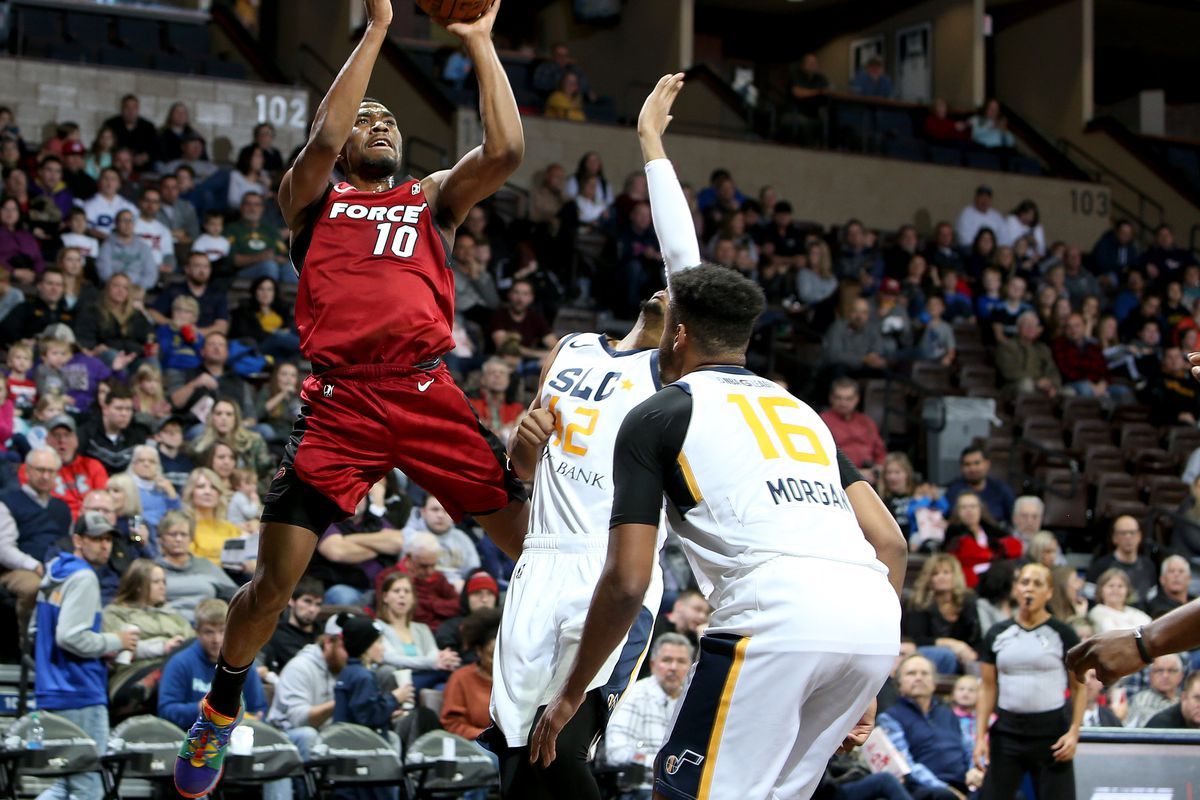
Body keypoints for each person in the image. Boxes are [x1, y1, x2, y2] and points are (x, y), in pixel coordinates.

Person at [174, 2, 530, 789]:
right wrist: (374, 31)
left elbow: (506, 148)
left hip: (428, 392)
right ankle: (220, 710)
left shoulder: (430, 199)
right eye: (366, 115)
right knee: (274, 583)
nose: (377, 125)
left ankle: (554, 695)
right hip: (341, 405)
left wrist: (478, 42)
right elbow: (324, 139)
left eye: (388, 120)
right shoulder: (312, 200)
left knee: (537, 547)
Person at [528, 262, 906, 799]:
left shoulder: (657, 414)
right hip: (872, 622)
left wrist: (569, 695)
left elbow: (629, 581)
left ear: (677, 333)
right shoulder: (803, 413)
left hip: (778, 613)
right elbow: (890, 542)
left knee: (679, 792)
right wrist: (866, 674)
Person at [488, 75, 690, 799]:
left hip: (610, 568)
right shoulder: (571, 349)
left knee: (566, 748)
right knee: (518, 757)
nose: (672, 290)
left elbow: (686, 263)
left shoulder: (676, 378)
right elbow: (520, 467)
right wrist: (525, 440)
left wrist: (651, 144)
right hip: (541, 560)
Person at [34, 511, 139, 800]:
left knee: (62, 785)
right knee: (88, 786)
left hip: (51, 691)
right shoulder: (84, 577)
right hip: (80, 692)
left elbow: (35, 629)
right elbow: (70, 636)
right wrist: (114, 640)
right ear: (78, 540)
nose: (104, 545)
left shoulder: (55, 571)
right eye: (96, 539)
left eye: (108, 539)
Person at [975, 563, 1086, 799]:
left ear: (1049, 592)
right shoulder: (997, 633)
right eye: (1024, 582)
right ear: (1015, 589)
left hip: (1052, 735)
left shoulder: (1063, 633)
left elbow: (1079, 687)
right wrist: (979, 738)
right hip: (1007, 733)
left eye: (1038, 584)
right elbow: (986, 687)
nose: (1030, 589)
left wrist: (1074, 731)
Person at [877, 654, 983, 799]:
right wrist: (946, 788)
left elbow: (969, 748)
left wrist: (973, 771)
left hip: (963, 783)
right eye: (911, 673)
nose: (919, 678)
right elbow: (906, 765)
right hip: (923, 788)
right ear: (899, 682)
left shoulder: (948, 714)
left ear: (934, 683)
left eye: (925, 673)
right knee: (944, 797)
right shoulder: (890, 718)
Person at [604, 633, 693, 799]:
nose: (673, 667)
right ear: (653, 665)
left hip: (676, 791)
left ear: (690, 667)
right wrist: (666, 765)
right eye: (666, 660)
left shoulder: (691, 702)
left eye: (681, 661)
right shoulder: (635, 695)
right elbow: (616, 753)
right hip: (638, 790)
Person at [102, 558, 194, 717]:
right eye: (156, 582)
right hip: (132, 674)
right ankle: (153, 679)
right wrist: (164, 646)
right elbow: (117, 649)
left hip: (175, 669)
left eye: (164, 581)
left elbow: (194, 645)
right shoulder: (115, 612)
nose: (162, 586)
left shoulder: (172, 615)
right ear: (138, 585)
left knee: (195, 644)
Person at [0, 448, 72, 632]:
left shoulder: (62, 508)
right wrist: (34, 565)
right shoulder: (7, 501)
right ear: (27, 471)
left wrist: (136, 538)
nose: (46, 476)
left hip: (56, 566)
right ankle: (28, 644)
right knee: (35, 587)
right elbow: (3, 548)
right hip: (16, 569)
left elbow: (70, 543)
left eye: (51, 471)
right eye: (40, 470)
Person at [266, 615, 345, 761]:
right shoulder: (300, 667)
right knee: (308, 735)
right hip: (285, 735)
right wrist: (339, 701)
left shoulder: (345, 668)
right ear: (328, 642)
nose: (350, 654)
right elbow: (298, 720)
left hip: (324, 734)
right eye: (345, 646)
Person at [375, 571, 461, 689]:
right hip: (399, 681)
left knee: (449, 676)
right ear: (385, 597)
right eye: (396, 591)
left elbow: (433, 654)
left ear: (413, 599)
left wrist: (443, 658)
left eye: (407, 591)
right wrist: (431, 663)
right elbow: (390, 658)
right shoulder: (378, 627)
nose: (402, 595)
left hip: (425, 677)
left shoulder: (422, 628)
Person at [903, 554, 981, 677]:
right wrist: (952, 644)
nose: (941, 577)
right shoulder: (918, 602)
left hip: (962, 655)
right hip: (923, 652)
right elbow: (918, 639)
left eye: (946, 573)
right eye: (935, 574)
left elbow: (975, 637)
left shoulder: (968, 602)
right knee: (946, 655)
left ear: (955, 576)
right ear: (928, 578)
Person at [156, 510, 237, 622]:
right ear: (162, 538)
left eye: (184, 534)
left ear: (191, 539)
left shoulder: (205, 565)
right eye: (173, 534)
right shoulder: (154, 569)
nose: (178, 539)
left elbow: (236, 595)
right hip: (167, 625)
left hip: (209, 627)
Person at [441, 609, 502, 739]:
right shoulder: (461, 678)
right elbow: (452, 724)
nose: (498, 662)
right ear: (479, 651)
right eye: (492, 655)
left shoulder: (517, 678)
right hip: (477, 744)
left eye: (503, 655)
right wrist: (485, 737)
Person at [944, 492, 1021, 589]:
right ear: (957, 512)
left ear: (980, 509)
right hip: (968, 586)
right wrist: (998, 553)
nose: (969, 510)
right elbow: (970, 554)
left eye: (973, 506)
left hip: (995, 581)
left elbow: (1016, 546)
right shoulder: (953, 535)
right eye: (963, 507)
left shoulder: (993, 531)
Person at [403, 494, 481, 589]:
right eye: (435, 510)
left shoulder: (463, 539)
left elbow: (473, 571)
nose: (440, 515)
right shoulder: (410, 536)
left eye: (446, 511)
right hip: (420, 587)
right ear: (423, 512)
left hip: (457, 591)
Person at [820, 378, 887, 481]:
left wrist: (877, 469)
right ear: (831, 398)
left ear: (857, 399)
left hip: (871, 476)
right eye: (839, 398)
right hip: (838, 477)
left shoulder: (867, 422)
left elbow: (880, 453)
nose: (843, 403)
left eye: (849, 398)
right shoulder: (821, 421)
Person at [76, 383, 151, 475]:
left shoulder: (137, 436)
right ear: (105, 410)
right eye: (119, 409)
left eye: (128, 409)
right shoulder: (86, 434)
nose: (124, 414)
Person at [259, 575, 324, 676]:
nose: (312, 609)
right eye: (307, 601)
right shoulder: (278, 634)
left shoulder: (322, 631)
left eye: (317, 604)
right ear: (291, 601)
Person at [1086, 515, 1157, 601]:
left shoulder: (1148, 566)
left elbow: (1152, 599)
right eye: (1123, 533)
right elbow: (1090, 599)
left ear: (1139, 536)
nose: (1128, 537)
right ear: (1114, 538)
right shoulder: (1100, 566)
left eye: (1132, 532)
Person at [224, 192, 290, 284]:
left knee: (290, 268)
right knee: (269, 266)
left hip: (272, 267)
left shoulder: (271, 231)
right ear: (241, 207)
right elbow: (233, 260)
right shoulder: (231, 229)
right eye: (248, 204)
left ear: (262, 209)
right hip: (241, 273)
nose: (253, 208)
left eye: (257, 205)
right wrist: (260, 257)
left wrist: (274, 258)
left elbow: (285, 256)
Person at [943, 447, 1016, 525]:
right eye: (967, 464)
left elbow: (1013, 518)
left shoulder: (1001, 489)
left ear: (987, 464)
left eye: (977, 463)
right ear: (961, 468)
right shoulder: (954, 491)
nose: (972, 468)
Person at [1125, 653, 1185, 727]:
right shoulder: (1141, 701)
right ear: (1150, 675)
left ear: (1181, 675)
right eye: (1160, 671)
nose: (1165, 676)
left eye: (1171, 670)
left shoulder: (1185, 699)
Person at [1088, 568, 1152, 635]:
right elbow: (1110, 632)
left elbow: (1149, 627)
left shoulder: (1137, 614)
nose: (1115, 590)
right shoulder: (1097, 612)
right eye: (1111, 586)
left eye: (1120, 586)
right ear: (1101, 590)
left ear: (1128, 591)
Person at [954, 186, 1005, 250]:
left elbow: (1003, 238)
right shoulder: (966, 214)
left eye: (987, 198)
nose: (984, 200)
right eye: (982, 197)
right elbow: (964, 239)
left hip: (992, 252)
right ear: (976, 198)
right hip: (971, 251)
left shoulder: (996, 216)